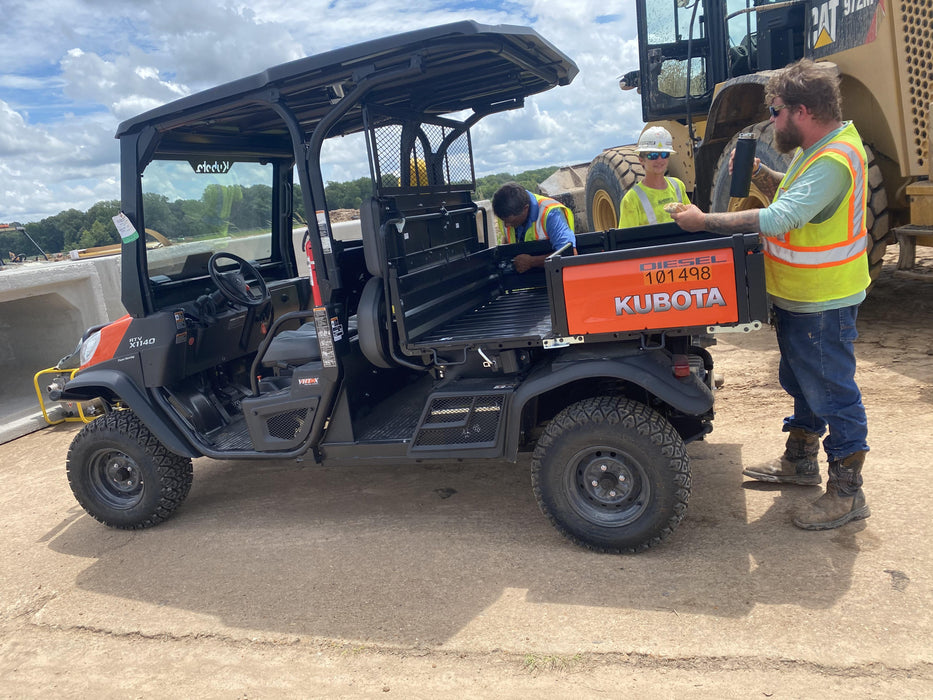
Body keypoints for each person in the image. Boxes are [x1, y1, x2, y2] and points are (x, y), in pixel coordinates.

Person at [670, 58, 871, 531]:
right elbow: (795, 196)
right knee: (802, 381)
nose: (773, 121)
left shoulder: (835, 159)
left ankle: (847, 492)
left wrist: (704, 221)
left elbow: (782, 218)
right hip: (801, 296)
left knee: (832, 392)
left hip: (823, 300)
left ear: (802, 110)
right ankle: (800, 460)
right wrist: (760, 173)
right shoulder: (815, 149)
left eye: (776, 111)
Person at [492, 182, 575, 273]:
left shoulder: (551, 214)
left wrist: (532, 262)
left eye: (511, 221)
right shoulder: (506, 215)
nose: (506, 225)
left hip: (554, 276)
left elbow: (569, 255)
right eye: (503, 220)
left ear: (525, 208)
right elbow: (506, 241)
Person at [617, 126, 690, 228]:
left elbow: (690, 220)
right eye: (653, 155)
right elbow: (627, 237)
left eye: (664, 154)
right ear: (641, 160)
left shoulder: (678, 185)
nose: (659, 160)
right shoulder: (631, 199)